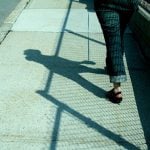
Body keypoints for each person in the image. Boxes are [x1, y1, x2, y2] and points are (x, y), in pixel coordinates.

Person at [94, 0, 140, 103]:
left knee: (113, 40)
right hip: (129, 4)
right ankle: (111, 67)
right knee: (118, 37)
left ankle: (117, 89)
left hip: (107, 4)